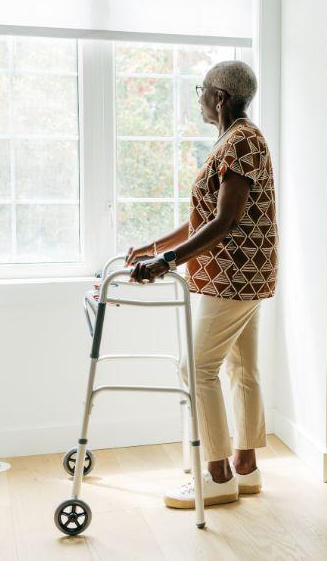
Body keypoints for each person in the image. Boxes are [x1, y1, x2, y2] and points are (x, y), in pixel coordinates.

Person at [125, 60, 278, 509]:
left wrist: (167, 261)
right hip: (245, 275)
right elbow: (204, 219)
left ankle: (215, 475)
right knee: (240, 368)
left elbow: (225, 222)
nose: (198, 98)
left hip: (231, 276)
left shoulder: (240, 142)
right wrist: (154, 247)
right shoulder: (238, 140)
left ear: (220, 98)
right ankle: (245, 468)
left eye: (201, 90)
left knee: (197, 369)